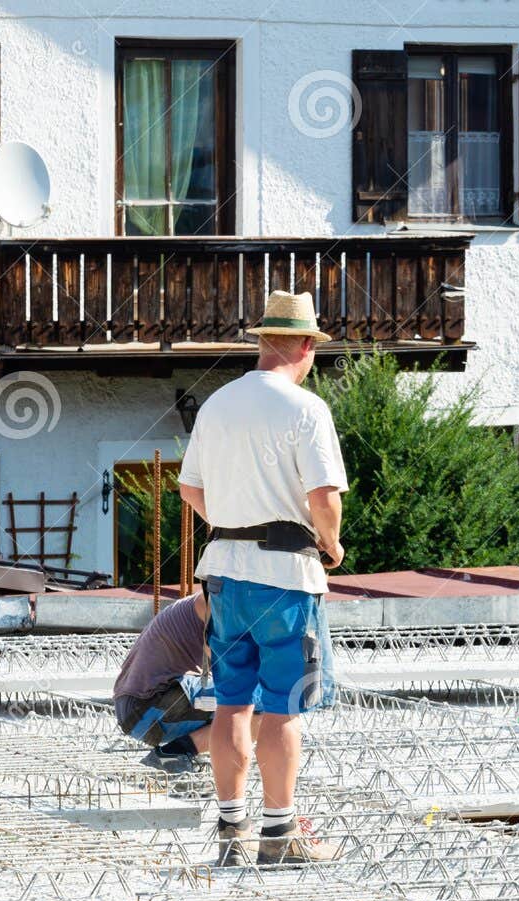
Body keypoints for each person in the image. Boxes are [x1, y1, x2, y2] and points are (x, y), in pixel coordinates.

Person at [178, 290, 347, 868]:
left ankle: (232, 830)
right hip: (286, 577)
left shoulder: (218, 404)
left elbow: (190, 488)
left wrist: (228, 526)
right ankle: (279, 834)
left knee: (230, 703)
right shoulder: (306, 410)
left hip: (223, 573)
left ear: (262, 342)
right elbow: (323, 497)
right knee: (284, 707)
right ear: (305, 346)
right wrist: (331, 543)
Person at [112, 591, 216, 764]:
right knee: (262, 703)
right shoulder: (217, 602)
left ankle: (179, 755)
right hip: (145, 710)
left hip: (143, 707)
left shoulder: (221, 595)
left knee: (254, 701)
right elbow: (235, 672)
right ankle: (171, 755)